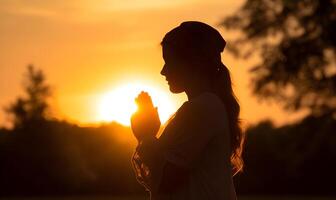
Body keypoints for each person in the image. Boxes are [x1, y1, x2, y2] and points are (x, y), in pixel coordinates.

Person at [130, 21, 244, 200]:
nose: (163, 71)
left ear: (192, 64)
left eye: (169, 62)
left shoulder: (202, 108)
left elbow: (168, 180)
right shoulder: (208, 106)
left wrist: (146, 135)